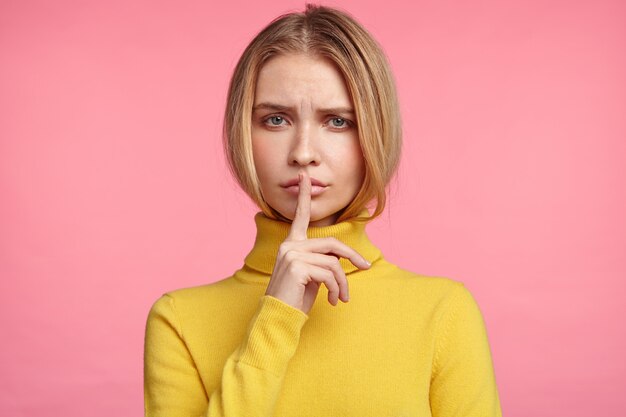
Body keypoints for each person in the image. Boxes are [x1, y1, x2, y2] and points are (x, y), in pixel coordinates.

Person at [143, 4, 502, 416]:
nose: (304, 153)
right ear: (242, 130)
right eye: (276, 120)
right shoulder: (179, 320)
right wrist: (275, 319)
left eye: (337, 122)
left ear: (375, 130)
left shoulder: (443, 312)